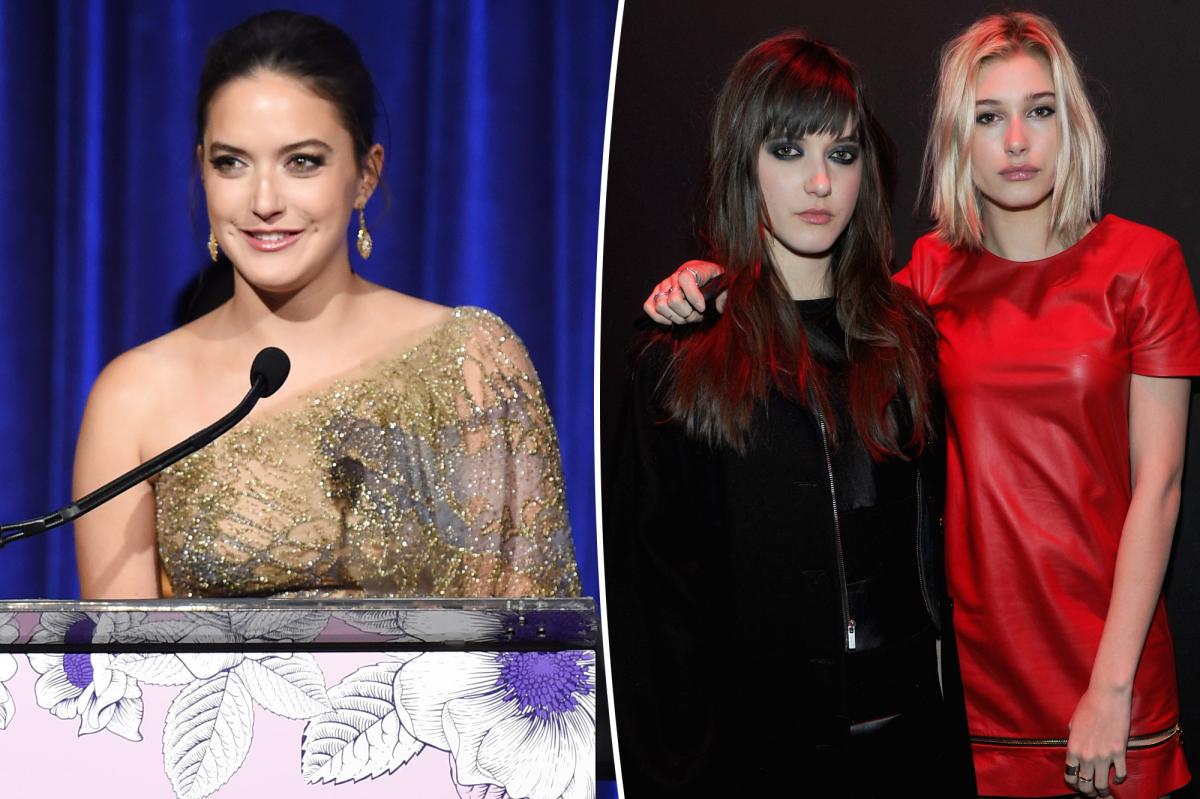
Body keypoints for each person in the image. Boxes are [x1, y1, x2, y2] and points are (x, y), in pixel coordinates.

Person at [643, 12, 1200, 799]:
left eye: (1040, 111)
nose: (1016, 141)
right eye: (989, 117)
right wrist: (718, 277)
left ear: (1071, 124)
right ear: (958, 137)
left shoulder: (1142, 266)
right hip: (973, 688)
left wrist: (1112, 686)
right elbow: (819, 315)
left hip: (1111, 674)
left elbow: (1161, 486)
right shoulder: (929, 279)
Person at [72, 11, 580, 600]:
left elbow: (527, 638)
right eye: (231, 162)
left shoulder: (472, 362)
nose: (264, 201)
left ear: (366, 175)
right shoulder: (132, 397)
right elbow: (119, 655)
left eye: (302, 162)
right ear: (202, 171)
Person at [608, 32, 972, 797]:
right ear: (744, 162)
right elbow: (655, 614)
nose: (819, 182)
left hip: (915, 756)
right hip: (756, 770)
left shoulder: (905, 335)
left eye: (841, 153)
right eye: (786, 150)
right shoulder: (678, 358)